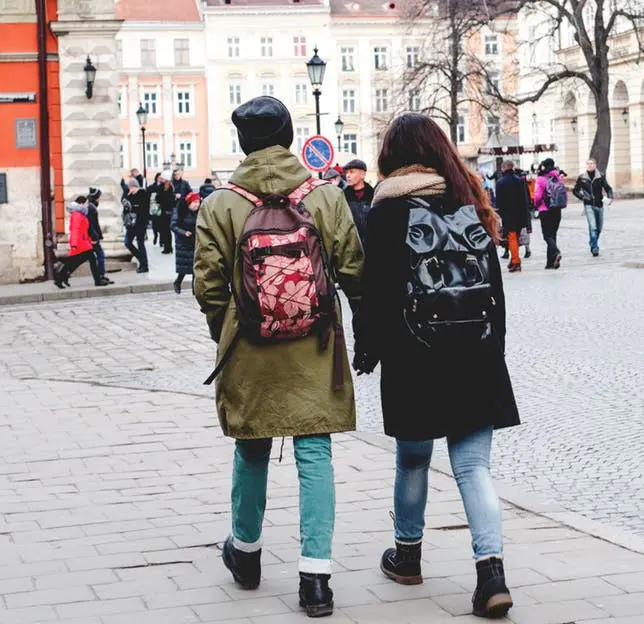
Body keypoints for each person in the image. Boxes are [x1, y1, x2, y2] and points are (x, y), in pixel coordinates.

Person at [193, 96, 364, 618]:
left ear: (242, 142)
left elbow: (208, 285)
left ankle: (245, 554)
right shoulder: (326, 196)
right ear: (290, 136)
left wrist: (226, 330)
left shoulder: (220, 203)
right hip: (315, 346)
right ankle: (316, 579)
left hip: (248, 346)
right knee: (315, 453)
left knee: (251, 448)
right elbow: (353, 269)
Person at [352, 113, 518, 620]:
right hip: (475, 354)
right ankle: (491, 575)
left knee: (413, 458)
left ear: (391, 158)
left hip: (414, 358)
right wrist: (495, 352)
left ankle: (407, 556)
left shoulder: (385, 212)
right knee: (473, 468)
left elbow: (374, 294)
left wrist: (369, 350)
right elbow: (494, 290)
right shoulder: (469, 202)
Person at [54, 196, 107, 288]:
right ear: (81, 204)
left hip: (83, 242)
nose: (87, 205)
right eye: (86, 203)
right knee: (90, 260)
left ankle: (61, 277)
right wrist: (74, 244)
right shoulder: (77, 215)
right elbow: (75, 230)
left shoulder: (79, 213)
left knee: (74, 262)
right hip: (80, 243)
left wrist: (90, 240)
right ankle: (98, 281)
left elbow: (84, 230)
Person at [572, 158, 614, 257]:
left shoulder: (601, 176)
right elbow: (575, 190)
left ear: (595, 165)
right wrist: (583, 197)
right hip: (588, 205)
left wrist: (610, 197)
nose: (590, 165)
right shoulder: (582, 178)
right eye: (588, 164)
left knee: (599, 228)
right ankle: (595, 247)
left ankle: (592, 242)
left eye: (591, 164)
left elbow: (608, 188)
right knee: (593, 227)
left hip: (599, 205)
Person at [495, 160, 529, 272]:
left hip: (508, 215)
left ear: (503, 168)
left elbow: (498, 202)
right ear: (513, 168)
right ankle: (513, 259)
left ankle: (515, 261)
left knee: (512, 238)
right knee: (515, 238)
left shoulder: (500, 182)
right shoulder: (520, 181)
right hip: (520, 215)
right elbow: (525, 199)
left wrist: (500, 214)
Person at [533, 158, 564, 269]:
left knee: (547, 236)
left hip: (545, 210)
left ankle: (556, 252)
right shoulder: (558, 178)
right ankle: (550, 263)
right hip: (557, 209)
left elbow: (537, 196)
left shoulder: (540, 179)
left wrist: (535, 205)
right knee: (553, 235)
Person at [171, 191, 200, 294]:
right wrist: (184, 233)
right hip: (183, 242)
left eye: (198, 202)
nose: (197, 204)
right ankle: (177, 282)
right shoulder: (180, 210)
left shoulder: (199, 212)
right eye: (194, 202)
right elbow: (174, 225)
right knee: (184, 267)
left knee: (195, 267)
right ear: (189, 203)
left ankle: (194, 289)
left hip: (195, 241)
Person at [85, 187, 113, 284]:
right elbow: (92, 224)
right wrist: (95, 237)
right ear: (96, 197)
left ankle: (100, 277)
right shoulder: (92, 207)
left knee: (88, 258)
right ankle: (101, 275)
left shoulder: (90, 206)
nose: (100, 199)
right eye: (99, 196)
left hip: (91, 236)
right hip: (93, 237)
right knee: (100, 255)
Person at [122, 178, 149, 273]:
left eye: (131, 187)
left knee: (140, 244)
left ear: (134, 186)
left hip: (141, 224)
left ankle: (144, 265)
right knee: (127, 242)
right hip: (131, 225)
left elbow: (144, 209)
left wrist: (134, 207)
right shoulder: (129, 195)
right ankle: (141, 259)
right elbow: (125, 207)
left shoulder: (143, 194)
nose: (130, 189)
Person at [343, 159, 374, 244]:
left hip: (371, 247)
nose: (347, 176)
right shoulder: (343, 197)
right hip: (352, 247)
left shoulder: (374, 196)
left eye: (351, 172)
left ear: (362, 174)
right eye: (347, 172)